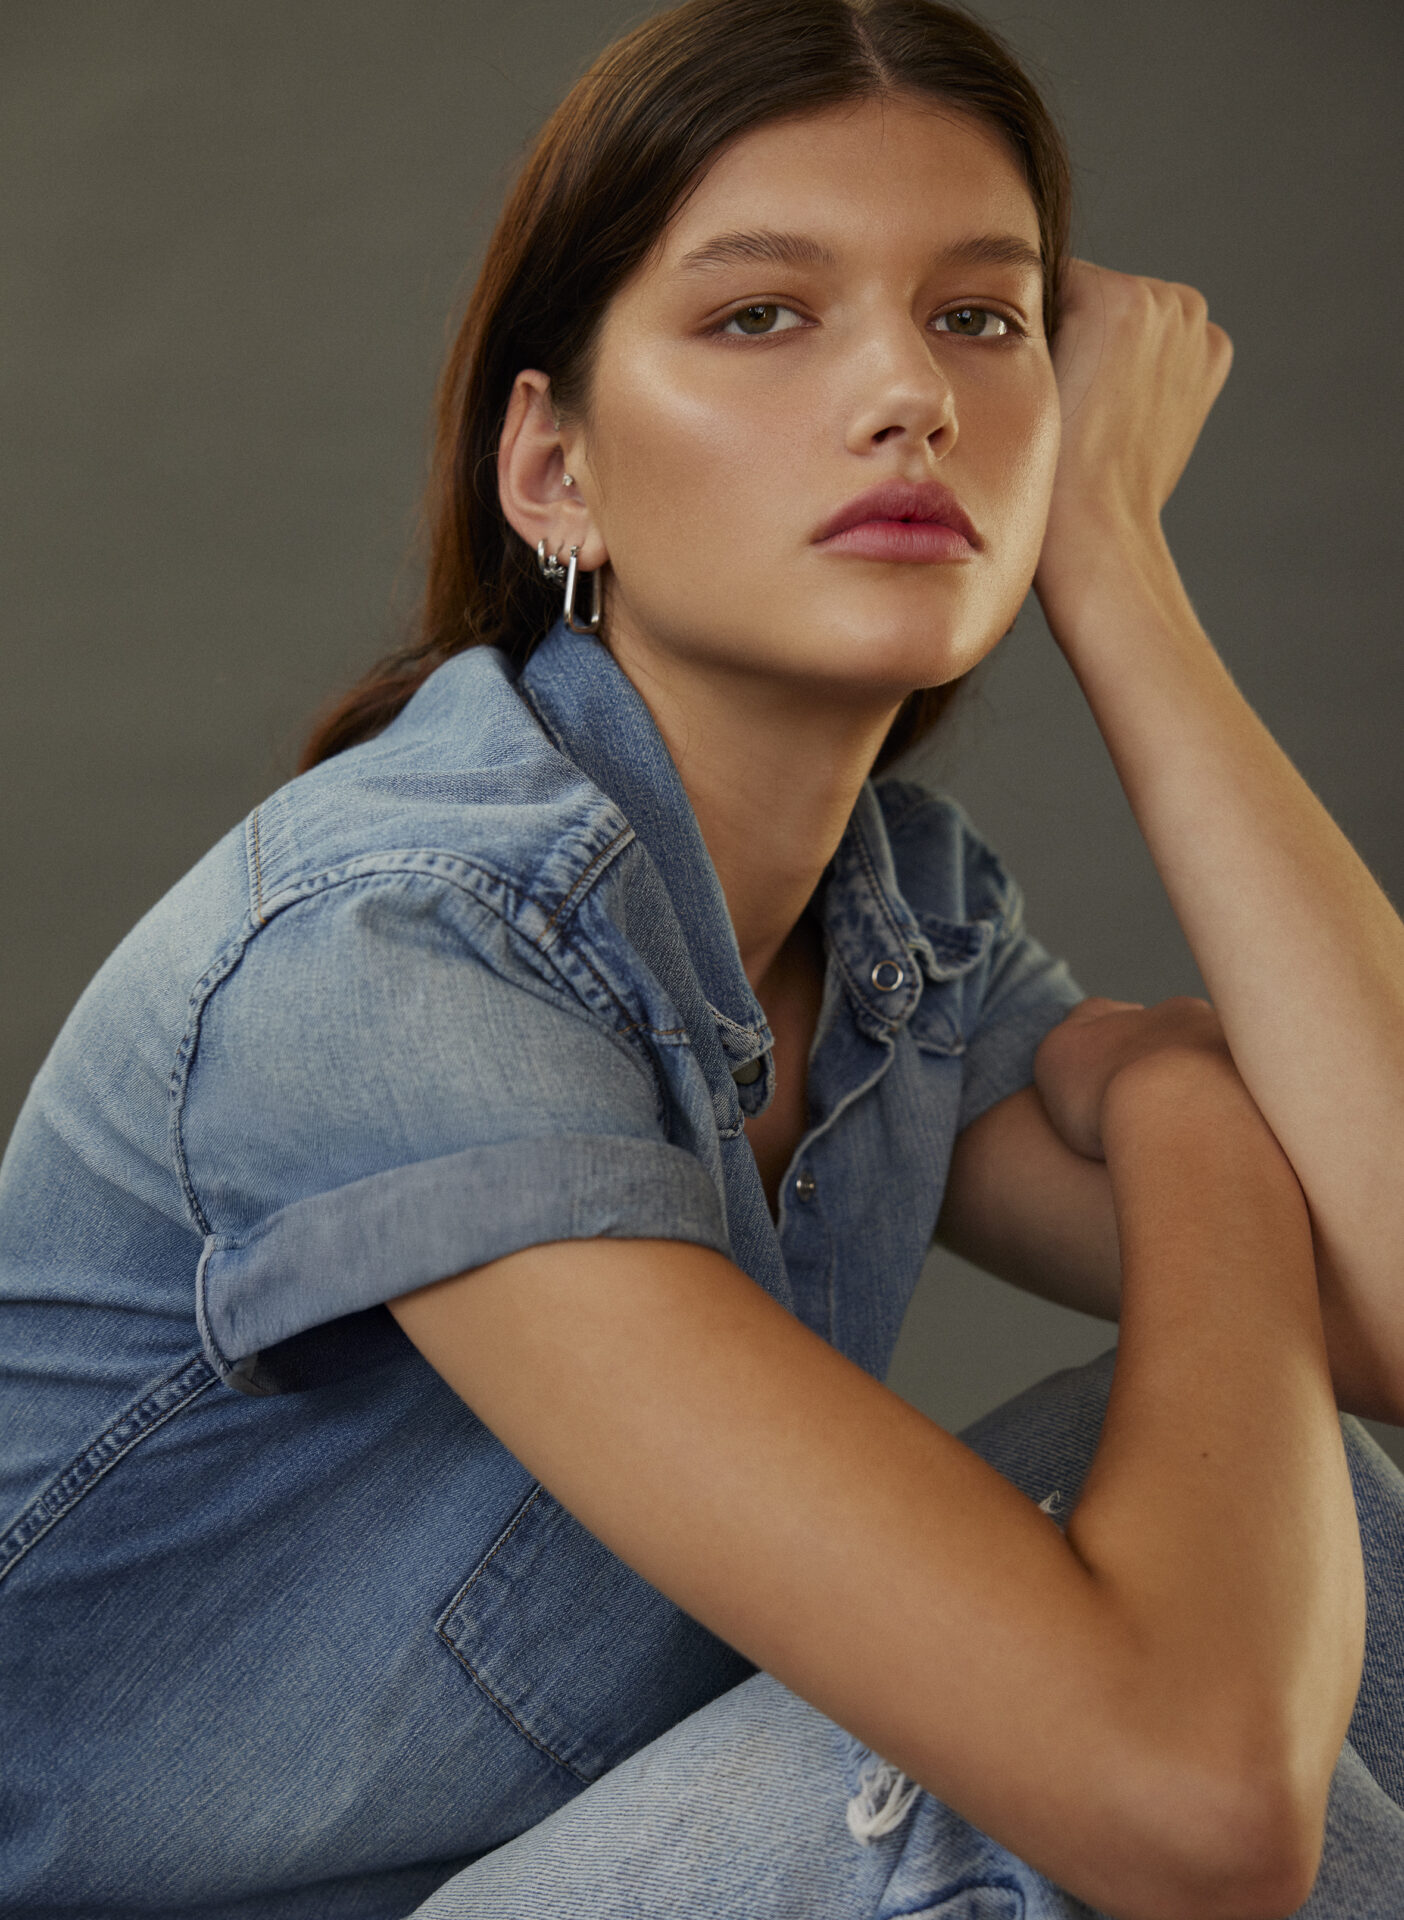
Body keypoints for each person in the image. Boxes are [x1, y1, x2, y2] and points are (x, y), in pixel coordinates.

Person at [2, 0, 1403, 1914]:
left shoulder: (894, 926)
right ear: (552, 472)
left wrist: (1120, 581)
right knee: (1046, 1762)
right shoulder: (391, 953)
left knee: (1304, 1523)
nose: (909, 392)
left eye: (980, 319)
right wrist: (1194, 1110)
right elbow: (1186, 1804)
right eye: (761, 315)